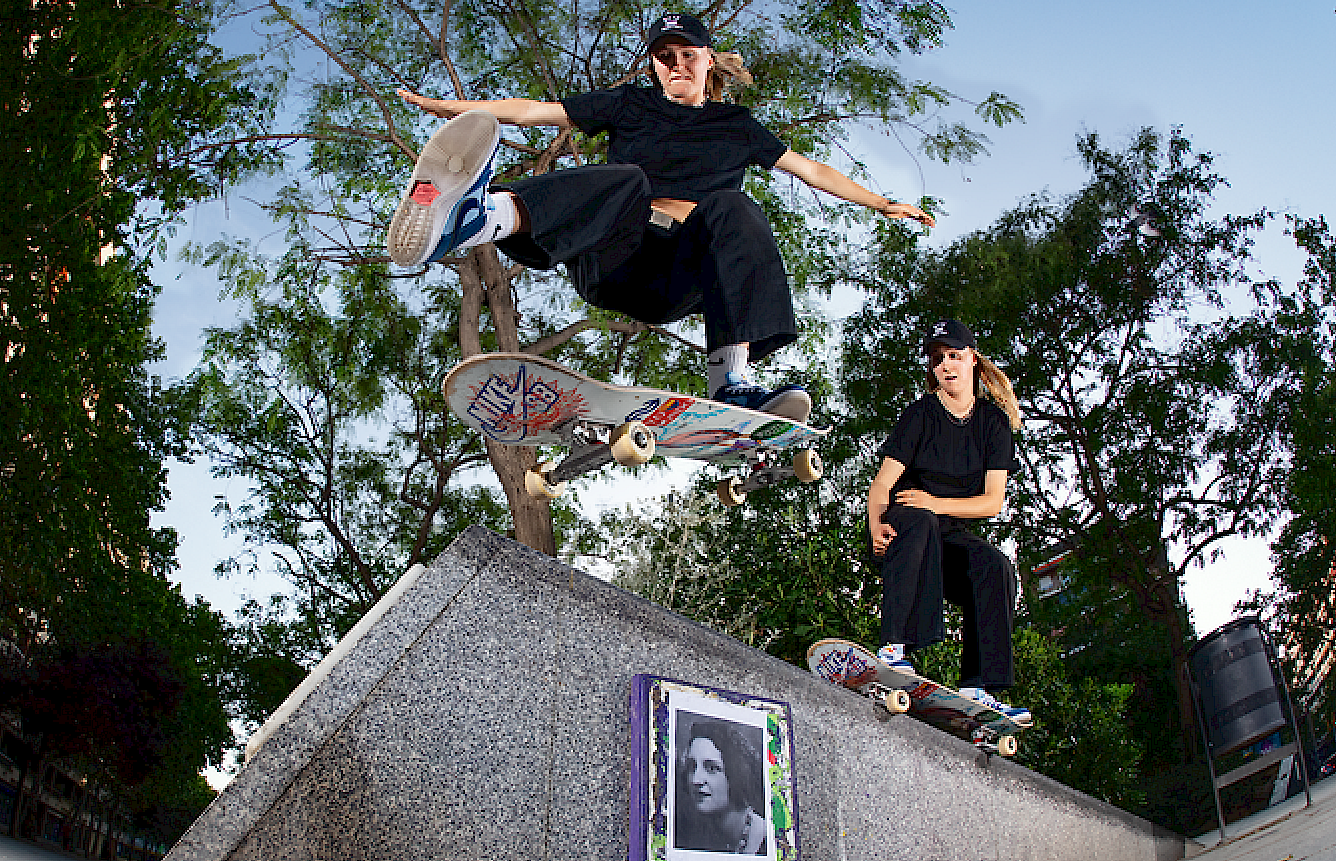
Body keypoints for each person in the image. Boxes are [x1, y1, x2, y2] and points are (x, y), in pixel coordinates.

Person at [387, 12, 934, 418]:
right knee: (628, 180)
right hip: (615, 257)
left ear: (707, 59)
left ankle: (734, 381)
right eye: (664, 58)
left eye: (686, 56)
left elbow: (811, 170)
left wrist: (882, 203)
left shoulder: (737, 125)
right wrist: (462, 110)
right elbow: (537, 112)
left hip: (677, 277)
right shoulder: (629, 103)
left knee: (734, 206)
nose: (675, 66)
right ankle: (478, 221)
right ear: (654, 64)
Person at [867, 318, 1032, 726]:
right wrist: (875, 526)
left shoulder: (992, 424)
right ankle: (894, 648)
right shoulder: (921, 415)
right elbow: (882, 484)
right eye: (938, 360)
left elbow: (993, 502)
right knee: (921, 518)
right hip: (906, 527)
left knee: (995, 567)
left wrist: (937, 503)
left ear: (973, 360)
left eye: (954, 356)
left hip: (947, 535)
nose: (946, 366)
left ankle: (979, 685)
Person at [673, 720, 767, 854]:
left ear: (737, 774)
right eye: (692, 767)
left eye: (711, 768)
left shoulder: (768, 841)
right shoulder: (696, 836)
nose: (696, 780)